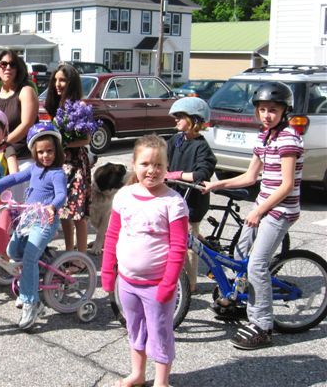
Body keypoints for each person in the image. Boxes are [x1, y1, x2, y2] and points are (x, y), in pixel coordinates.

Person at [202, 82, 304, 350]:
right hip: (264, 205)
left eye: (272, 110)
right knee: (239, 255)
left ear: (284, 111)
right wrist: (217, 185)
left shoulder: (288, 139)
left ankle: (263, 326)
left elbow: (287, 185)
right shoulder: (264, 137)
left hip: (280, 210)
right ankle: (241, 300)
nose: (267, 115)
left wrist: (258, 211)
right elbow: (250, 176)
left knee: (257, 265)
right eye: (262, 110)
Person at [101, 134, 188, 387]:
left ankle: (162, 382)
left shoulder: (173, 202)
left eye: (159, 164)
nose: (152, 170)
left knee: (160, 333)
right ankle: (137, 374)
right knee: (134, 329)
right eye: (146, 164)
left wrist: (169, 284)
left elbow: (179, 247)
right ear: (134, 164)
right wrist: (108, 272)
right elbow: (112, 236)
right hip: (127, 282)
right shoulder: (124, 196)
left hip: (157, 284)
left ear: (167, 167)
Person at [0, 123, 67, 330]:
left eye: (50, 151)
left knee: (28, 258)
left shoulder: (57, 173)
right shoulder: (34, 169)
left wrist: (53, 206)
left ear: (57, 151)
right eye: (41, 151)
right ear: (34, 152)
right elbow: (16, 177)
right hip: (28, 218)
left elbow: (61, 194)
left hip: (45, 219)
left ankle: (31, 301)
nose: (45, 155)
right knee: (12, 250)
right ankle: (33, 274)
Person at [165, 97, 217, 293]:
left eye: (180, 117)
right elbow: (164, 158)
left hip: (192, 202)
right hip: (173, 197)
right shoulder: (175, 141)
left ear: (195, 120)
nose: (175, 120)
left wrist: (176, 175)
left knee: (188, 244)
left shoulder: (202, 147)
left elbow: (202, 174)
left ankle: (190, 283)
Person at [44, 63, 93, 253]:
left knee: (78, 214)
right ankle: (68, 252)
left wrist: (63, 143)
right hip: (60, 165)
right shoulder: (56, 106)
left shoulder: (80, 106)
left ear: (71, 82)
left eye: (62, 80)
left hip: (75, 165)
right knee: (64, 212)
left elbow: (86, 138)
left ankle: (81, 257)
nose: (58, 84)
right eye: (55, 80)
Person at [0, 50, 38, 199]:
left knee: (19, 208)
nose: (7, 68)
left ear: (18, 69)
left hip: (22, 160)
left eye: (12, 64)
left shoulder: (26, 91)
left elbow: (26, 124)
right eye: (3, 64)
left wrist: (2, 143)